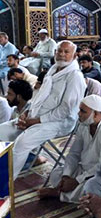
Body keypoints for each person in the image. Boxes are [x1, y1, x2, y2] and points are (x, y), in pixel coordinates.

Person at [0, 40, 85, 173]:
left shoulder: (75, 76)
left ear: (74, 56)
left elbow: (65, 110)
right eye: (59, 51)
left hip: (59, 122)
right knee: (1, 131)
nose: (62, 54)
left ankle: (5, 185)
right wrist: (27, 113)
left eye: (66, 52)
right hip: (35, 116)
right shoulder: (52, 70)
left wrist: (35, 121)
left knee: (22, 144)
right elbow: (39, 97)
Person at [39, 95, 101, 203]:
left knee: (91, 188)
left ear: (96, 114)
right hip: (84, 169)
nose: (79, 113)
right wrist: (66, 176)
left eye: (83, 111)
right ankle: (66, 192)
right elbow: (74, 153)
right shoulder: (84, 124)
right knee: (56, 173)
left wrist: (76, 181)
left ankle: (59, 194)